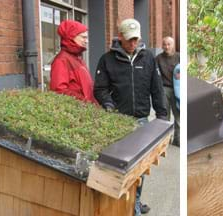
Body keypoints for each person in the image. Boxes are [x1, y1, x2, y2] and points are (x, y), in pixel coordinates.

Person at [94, 18, 167, 215]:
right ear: (120, 38)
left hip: (142, 121)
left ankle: (135, 201)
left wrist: (162, 116)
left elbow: (157, 89)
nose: (133, 43)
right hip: (119, 121)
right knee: (120, 169)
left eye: (136, 39)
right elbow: (100, 89)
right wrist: (109, 105)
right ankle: (123, 206)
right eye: (129, 40)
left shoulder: (148, 58)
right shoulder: (107, 60)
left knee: (141, 168)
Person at [50, 20, 97, 104]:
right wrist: (85, 102)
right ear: (71, 37)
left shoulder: (77, 58)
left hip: (87, 110)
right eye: (83, 37)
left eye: (86, 37)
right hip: (78, 111)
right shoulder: (61, 60)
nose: (87, 41)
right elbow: (59, 91)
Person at [156, 37, 180, 146]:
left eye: (169, 44)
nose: (166, 47)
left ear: (173, 45)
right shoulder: (158, 58)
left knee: (179, 115)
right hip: (164, 88)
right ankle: (165, 141)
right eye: (164, 44)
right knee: (164, 116)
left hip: (178, 89)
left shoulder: (179, 57)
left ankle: (178, 139)